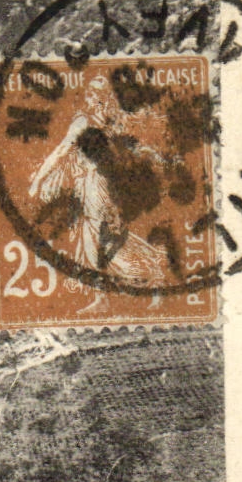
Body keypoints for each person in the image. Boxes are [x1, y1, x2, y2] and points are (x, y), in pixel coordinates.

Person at [27, 75, 169, 312]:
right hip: (91, 184)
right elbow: (63, 151)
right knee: (93, 238)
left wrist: (38, 181)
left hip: (99, 184)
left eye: (99, 96)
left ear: (105, 98)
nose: (95, 100)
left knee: (106, 238)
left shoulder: (94, 122)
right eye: (92, 95)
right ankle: (103, 298)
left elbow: (62, 151)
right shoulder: (95, 121)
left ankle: (153, 277)